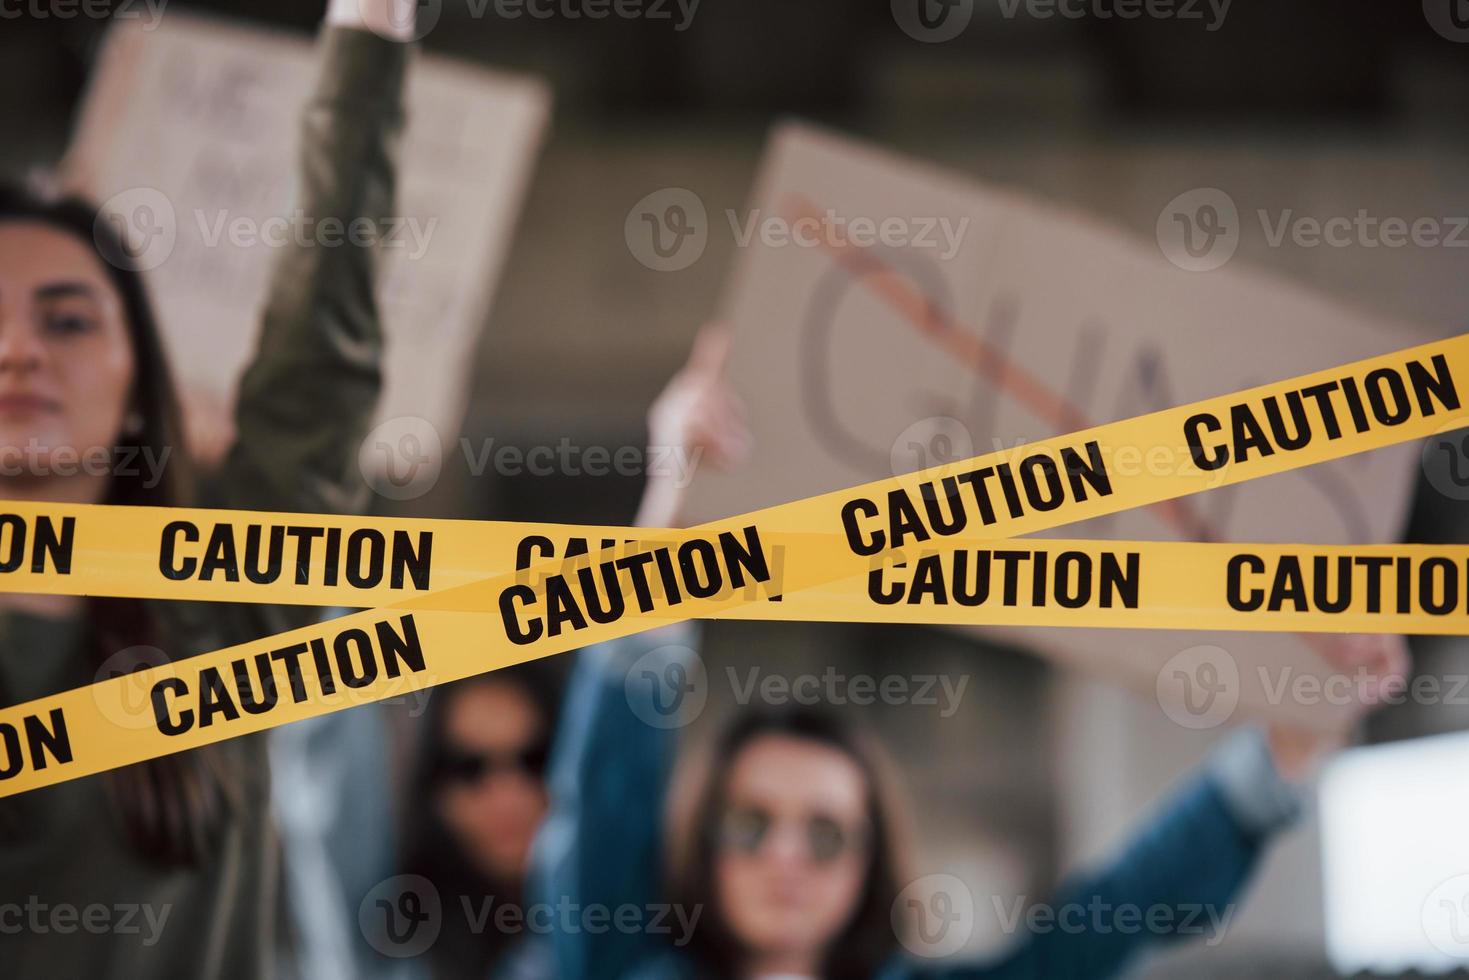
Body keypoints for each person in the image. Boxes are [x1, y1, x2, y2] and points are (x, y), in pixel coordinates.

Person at [530, 328, 1411, 980]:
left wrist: (1285, 750)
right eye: (750, 825)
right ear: (701, 842)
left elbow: (1111, 916)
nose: (785, 859)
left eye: (827, 834)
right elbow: (606, 792)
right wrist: (667, 514)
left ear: (870, 859)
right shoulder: (611, 964)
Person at [0, 2, 416, 976]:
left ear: (142, 392)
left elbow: (320, 370)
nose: (17, 349)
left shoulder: (215, 617)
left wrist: (368, 35)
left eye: (65, 321)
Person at [399, 662, 565, 979]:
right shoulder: (399, 949)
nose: (507, 797)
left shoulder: (638, 928)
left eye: (534, 759)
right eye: (469, 768)